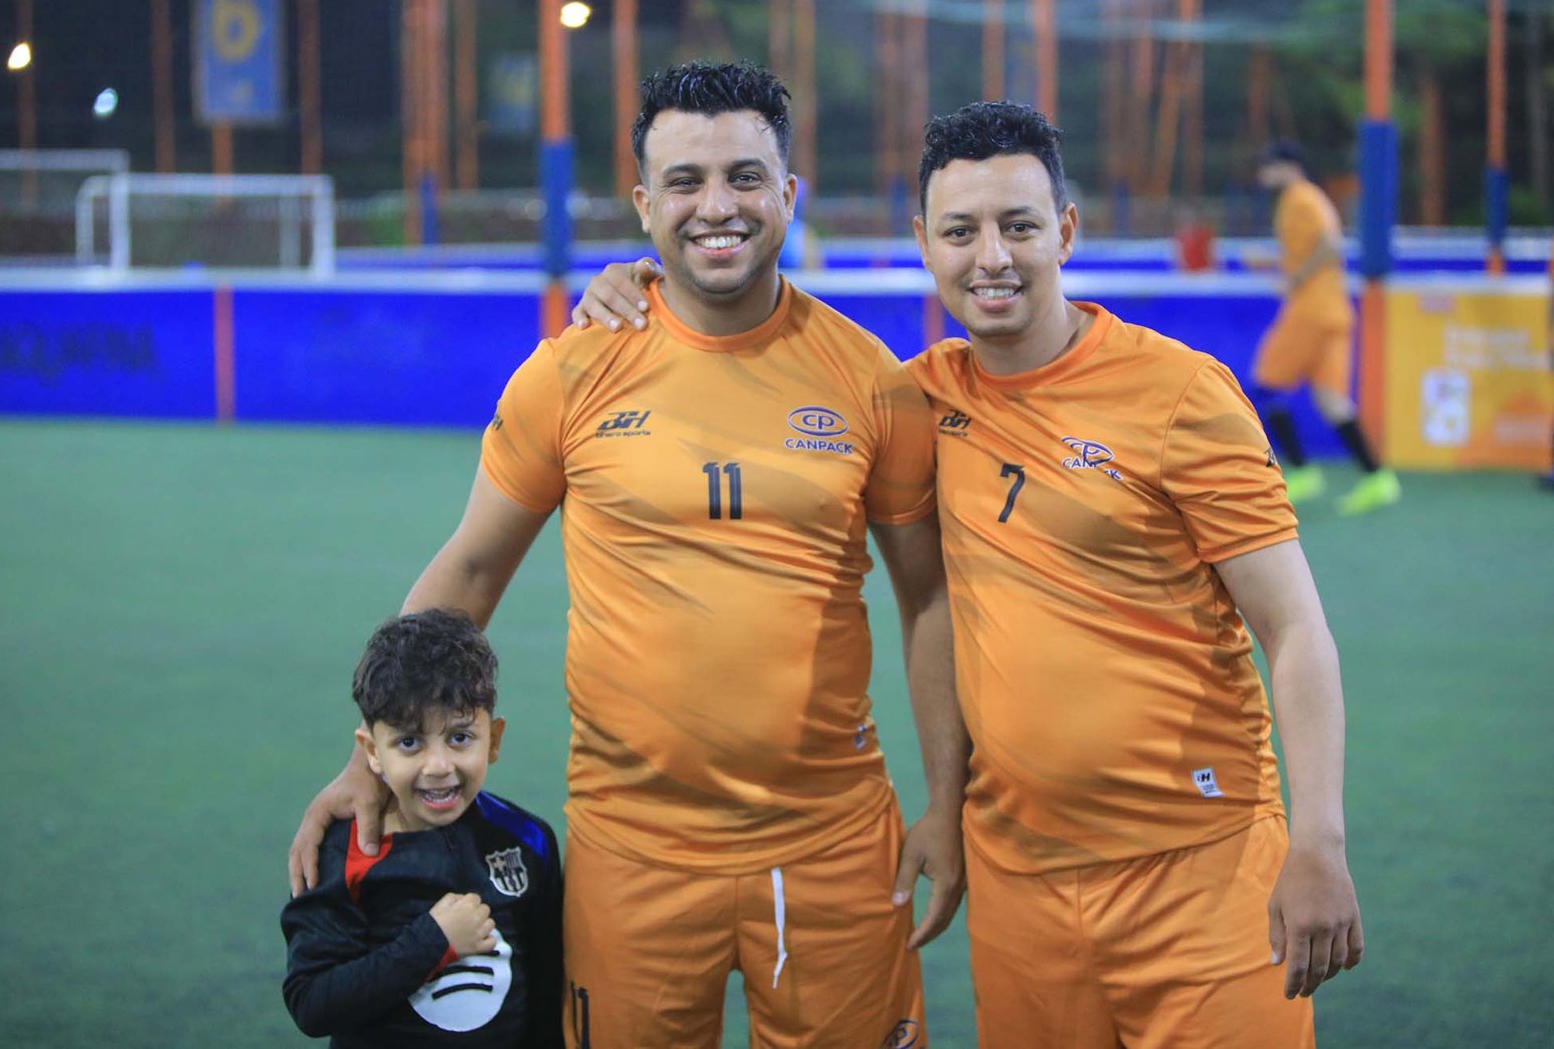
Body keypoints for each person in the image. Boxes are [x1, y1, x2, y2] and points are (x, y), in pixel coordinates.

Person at [575, 101, 1366, 1048]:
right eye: (960, 232)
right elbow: (757, 356)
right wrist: (640, 283)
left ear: (1064, 231)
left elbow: (1294, 629)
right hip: (1018, 884)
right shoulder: (916, 400)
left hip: (1201, 864)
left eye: (1018, 226)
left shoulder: (1183, 395)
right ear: (925, 243)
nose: (991, 257)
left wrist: (1319, 840)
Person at [290, 61, 965, 1049]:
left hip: (830, 843)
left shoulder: (871, 380)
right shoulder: (571, 371)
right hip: (632, 849)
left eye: (744, 176)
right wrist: (368, 756)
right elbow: (471, 571)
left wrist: (947, 800)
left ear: (789, 193)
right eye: (685, 181)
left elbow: (929, 600)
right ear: (645, 205)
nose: (716, 206)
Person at [282, 608, 562, 1047]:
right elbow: (313, 1003)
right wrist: (433, 941)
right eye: (409, 742)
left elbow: (548, 989)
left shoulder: (528, 840)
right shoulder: (345, 851)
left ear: (494, 739)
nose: (438, 766)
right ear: (372, 752)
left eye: (459, 737)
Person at [1253, 140, 1400, 515]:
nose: (1263, 175)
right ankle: (1378, 478)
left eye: (1268, 167)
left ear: (1287, 166)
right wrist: (1277, 265)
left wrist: (1297, 278)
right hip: (1332, 311)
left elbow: (1330, 244)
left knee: (1265, 386)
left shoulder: (1300, 198)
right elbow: (1313, 248)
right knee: (1332, 400)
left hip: (1311, 311)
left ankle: (1302, 472)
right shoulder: (1305, 199)